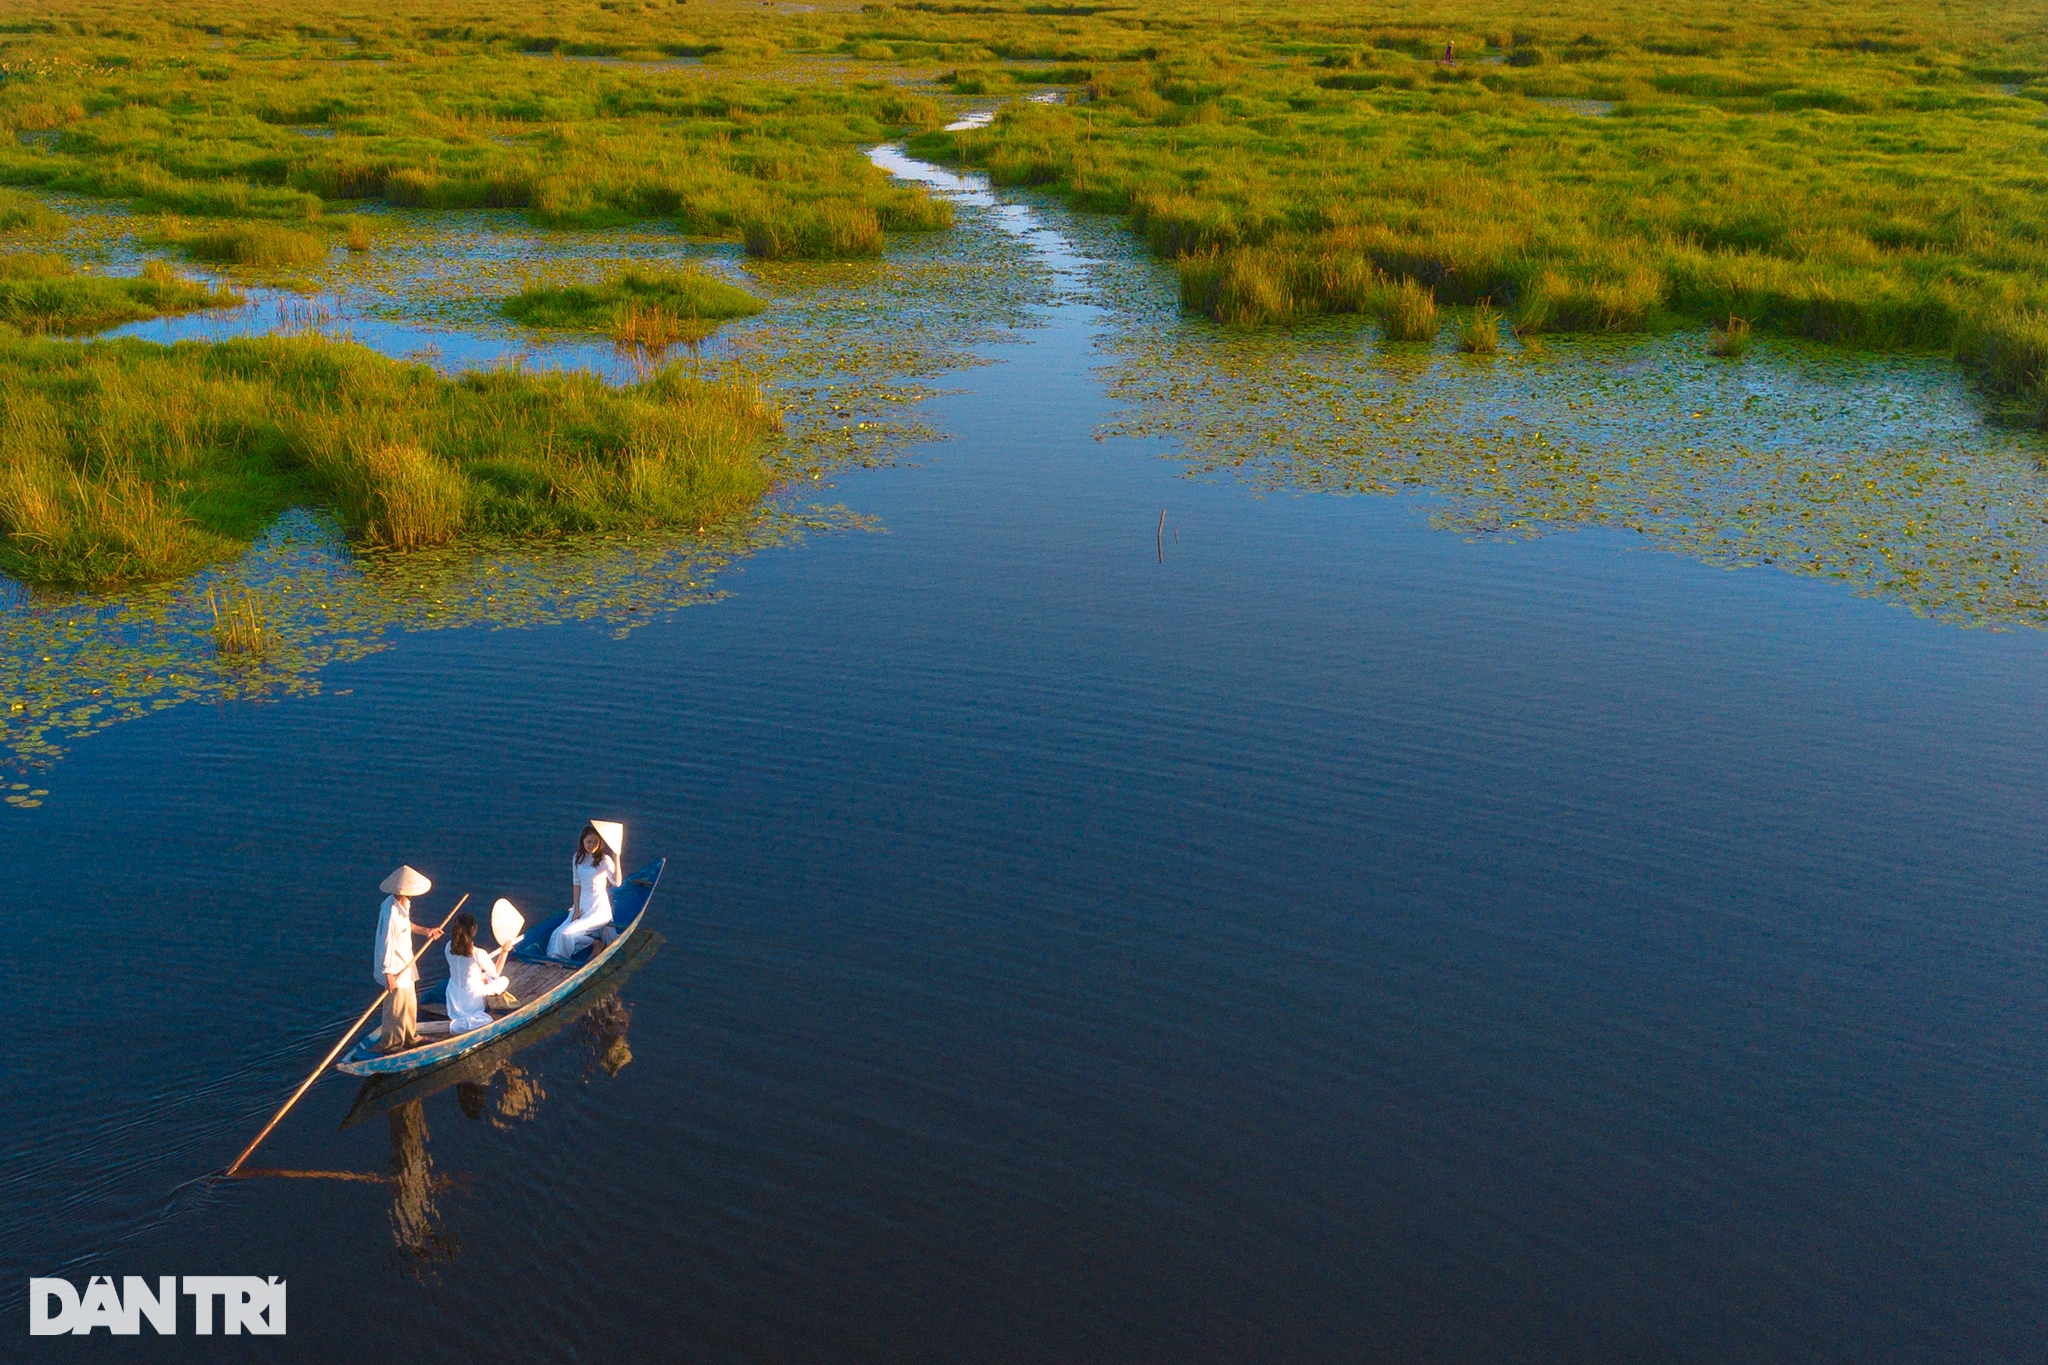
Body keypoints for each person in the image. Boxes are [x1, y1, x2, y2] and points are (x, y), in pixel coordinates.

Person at [373, 865, 442, 1053]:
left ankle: (411, 1037)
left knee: (410, 1003)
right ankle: (391, 1045)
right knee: (395, 1009)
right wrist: (388, 973)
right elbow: (387, 943)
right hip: (394, 968)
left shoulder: (404, 904)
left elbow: (407, 925)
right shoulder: (391, 913)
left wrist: (426, 931)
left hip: (406, 963)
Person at [547, 821, 623, 961]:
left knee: (566, 933)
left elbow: (617, 883)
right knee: (557, 933)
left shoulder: (604, 860)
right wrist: (576, 908)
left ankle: (558, 959)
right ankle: (594, 943)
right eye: (589, 842)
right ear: (582, 841)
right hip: (582, 905)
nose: (592, 845)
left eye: (595, 842)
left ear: (600, 843)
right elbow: (576, 883)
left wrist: (617, 856)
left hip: (598, 908)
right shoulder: (577, 857)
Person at [442, 911, 514, 1034]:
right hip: (472, 999)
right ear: (473, 929)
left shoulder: (448, 946)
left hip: (453, 996)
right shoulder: (478, 953)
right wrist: (504, 952)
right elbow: (496, 973)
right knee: (503, 980)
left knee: (482, 976)